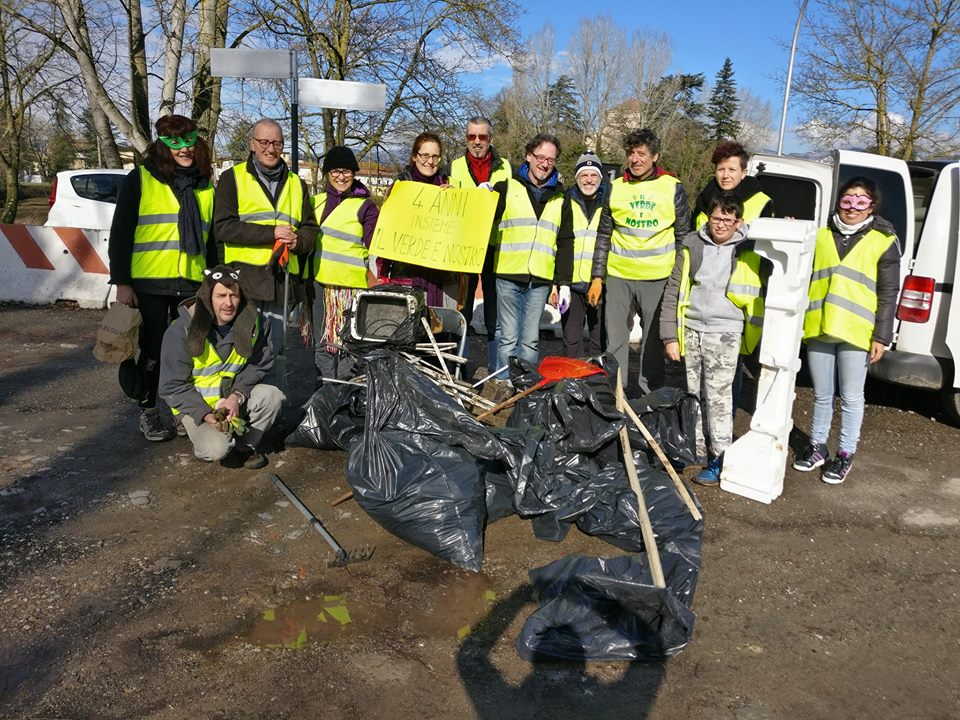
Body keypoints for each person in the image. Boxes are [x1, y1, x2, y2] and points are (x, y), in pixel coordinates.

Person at [108, 114, 218, 442]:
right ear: (162, 144)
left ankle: (182, 410)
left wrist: (213, 281)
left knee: (191, 349)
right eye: (174, 142)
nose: (183, 149)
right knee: (153, 350)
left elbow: (211, 239)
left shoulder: (205, 185)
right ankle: (149, 411)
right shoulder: (141, 179)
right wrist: (123, 283)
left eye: (189, 141)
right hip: (150, 282)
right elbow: (121, 234)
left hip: (192, 282)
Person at [793, 177, 901, 485]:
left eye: (861, 200)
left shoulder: (883, 240)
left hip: (858, 331)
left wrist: (882, 336)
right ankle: (816, 447)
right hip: (820, 326)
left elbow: (888, 291)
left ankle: (844, 453)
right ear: (838, 202)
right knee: (822, 394)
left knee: (852, 396)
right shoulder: (821, 234)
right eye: (847, 199)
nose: (852, 206)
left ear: (872, 206)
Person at [660, 193, 767, 485]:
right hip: (692, 329)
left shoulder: (751, 247)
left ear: (739, 222)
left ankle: (720, 457)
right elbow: (674, 289)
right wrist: (670, 335)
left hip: (726, 332)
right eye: (716, 217)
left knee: (719, 397)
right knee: (693, 392)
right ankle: (693, 448)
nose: (720, 224)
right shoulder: (692, 244)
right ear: (708, 216)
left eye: (728, 220)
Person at [589, 128, 690, 395]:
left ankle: (650, 394)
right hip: (619, 276)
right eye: (631, 153)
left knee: (653, 342)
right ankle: (616, 393)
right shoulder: (615, 188)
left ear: (655, 156)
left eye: (641, 153)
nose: (635, 159)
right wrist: (598, 277)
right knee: (616, 339)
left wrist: (678, 279)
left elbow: (683, 238)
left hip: (658, 278)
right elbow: (604, 235)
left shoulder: (672, 187)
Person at [213, 118, 319, 362]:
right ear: (252, 144)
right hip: (243, 282)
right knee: (240, 351)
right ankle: (237, 399)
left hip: (282, 283)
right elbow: (223, 228)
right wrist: (270, 234)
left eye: (277, 143)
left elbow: (310, 230)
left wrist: (297, 242)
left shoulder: (297, 183)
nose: (270, 149)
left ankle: (270, 400)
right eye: (264, 142)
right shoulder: (233, 178)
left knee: (275, 352)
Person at [158, 265, 284, 469]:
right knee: (216, 449)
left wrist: (237, 396)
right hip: (196, 406)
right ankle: (204, 443)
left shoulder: (256, 324)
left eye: (234, 295)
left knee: (273, 396)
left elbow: (259, 365)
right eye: (221, 296)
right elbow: (172, 387)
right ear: (208, 298)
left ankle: (244, 446)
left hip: (231, 400)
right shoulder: (180, 331)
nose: (228, 303)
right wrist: (205, 414)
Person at [489, 133, 570, 382]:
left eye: (550, 159)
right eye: (540, 157)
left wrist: (563, 282)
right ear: (528, 156)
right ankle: (503, 386)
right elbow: (481, 219)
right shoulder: (506, 187)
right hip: (508, 274)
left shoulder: (560, 197)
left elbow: (566, 241)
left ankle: (524, 387)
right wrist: (479, 197)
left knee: (530, 340)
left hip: (540, 278)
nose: (545, 163)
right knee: (508, 337)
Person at [309, 146, 380, 385]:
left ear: (354, 173)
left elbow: (376, 245)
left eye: (347, 171)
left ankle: (347, 389)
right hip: (320, 285)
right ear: (327, 173)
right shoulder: (314, 202)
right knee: (323, 342)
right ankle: (328, 388)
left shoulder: (366, 206)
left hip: (352, 288)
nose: (341, 176)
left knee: (348, 344)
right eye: (336, 171)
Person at [449, 116, 513, 371]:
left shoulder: (505, 167)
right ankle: (458, 367)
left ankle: (496, 369)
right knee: (461, 309)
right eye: (471, 137)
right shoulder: (454, 166)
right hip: (464, 247)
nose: (477, 142)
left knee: (494, 313)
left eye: (482, 137)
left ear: (491, 139)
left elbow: (509, 205)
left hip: (495, 246)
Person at [380, 133, 459, 308]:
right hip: (406, 277)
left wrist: (455, 201)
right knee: (407, 332)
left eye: (435, 156)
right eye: (425, 155)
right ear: (415, 157)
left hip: (444, 278)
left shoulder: (451, 185)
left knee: (442, 331)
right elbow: (386, 229)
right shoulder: (400, 187)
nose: (430, 161)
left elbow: (460, 230)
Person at [552, 151, 607, 358]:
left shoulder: (609, 203)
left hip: (600, 283)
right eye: (584, 175)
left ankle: (596, 385)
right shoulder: (565, 200)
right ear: (577, 178)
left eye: (593, 175)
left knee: (599, 341)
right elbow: (556, 242)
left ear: (600, 178)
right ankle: (573, 384)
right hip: (571, 285)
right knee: (571, 339)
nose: (589, 179)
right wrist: (555, 283)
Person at [691, 141, 773, 230]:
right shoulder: (703, 200)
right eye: (721, 169)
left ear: (743, 173)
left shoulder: (762, 203)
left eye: (732, 170)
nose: (725, 175)